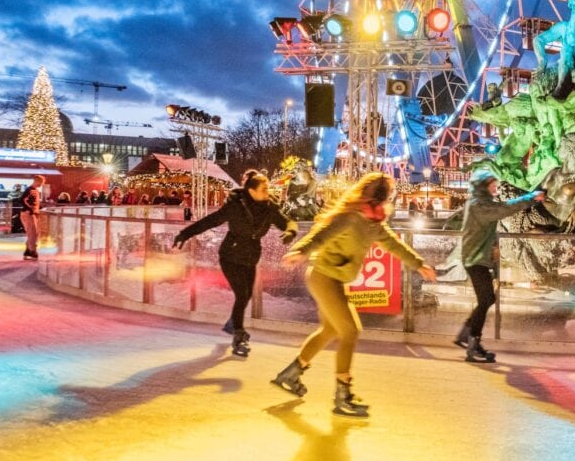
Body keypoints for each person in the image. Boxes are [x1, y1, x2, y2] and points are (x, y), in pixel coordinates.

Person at [271, 172, 437, 417]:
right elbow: (321, 235)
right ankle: (343, 396)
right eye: (384, 195)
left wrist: (419, 263)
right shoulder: (351, 217)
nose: (385, 199)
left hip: (334, 278)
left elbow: (394, 245)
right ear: (376, 196)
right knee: (350, 330)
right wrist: (300, 250)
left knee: (330, 330)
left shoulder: (373, 223)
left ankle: (292, 373)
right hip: (324, 276)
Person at [173, 170, 297, 357]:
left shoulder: (269, 207)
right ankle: (238, 336)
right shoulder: (235, 206)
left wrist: (290, 232)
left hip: (250, 257)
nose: (267, 191)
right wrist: (185, 234)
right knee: (242, 294)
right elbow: (210, 221)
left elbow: (287, 222)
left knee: (246, 296)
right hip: (230, 256)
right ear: (252, 191)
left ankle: (233, 323)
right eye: (264, 189)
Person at [454, 170, 544, 363]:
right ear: (483, 186)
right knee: (486, 299)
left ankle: (466, 335)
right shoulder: (479, 206)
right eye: (492, 185)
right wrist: (530, 198)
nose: (496, 188)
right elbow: (504, 209)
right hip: (474, 259)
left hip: (478, 258)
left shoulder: (480, 204)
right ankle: (472, 344)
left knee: (487, 299)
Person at [20, 175, 45, 260]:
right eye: (41, 182)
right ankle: (32, 251)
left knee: (33, 233)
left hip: (31, 213)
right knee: (33, 233)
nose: (42, 184)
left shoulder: (33, 190)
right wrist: (30, 210)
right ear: (37, 181)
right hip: (29, 214)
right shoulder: (30, 190)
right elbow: (22, 199)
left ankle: (28, 251)